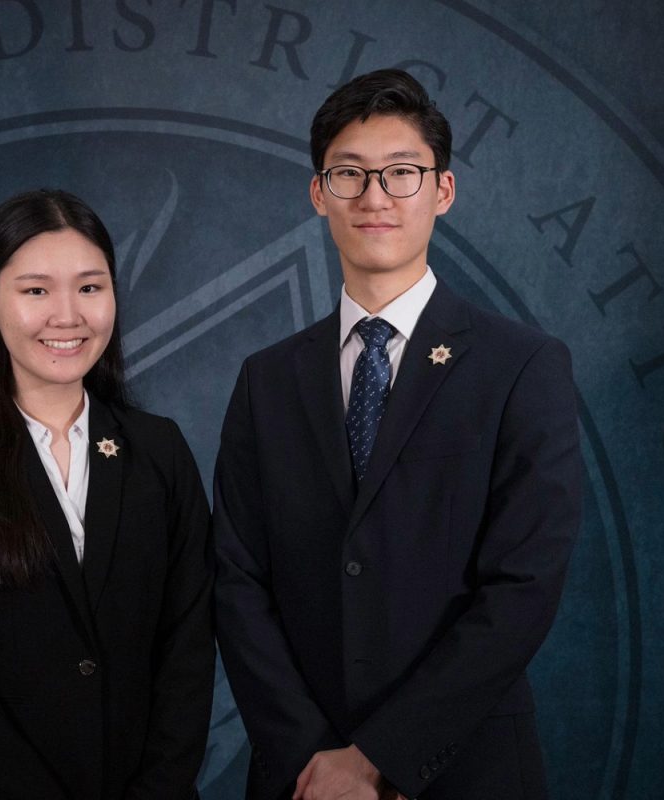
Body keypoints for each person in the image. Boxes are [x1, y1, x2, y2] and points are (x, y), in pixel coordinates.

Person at [213, 69, 581, 800]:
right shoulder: (267, 379)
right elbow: (237, 580)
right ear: (319, 194)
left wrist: (376, 757)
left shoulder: (521, 367)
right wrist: (312, 758)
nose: (375, 197)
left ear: (442, 191)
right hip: (301, 778)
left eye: (401, 173)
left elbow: (524, 587)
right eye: (348, 175)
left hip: (465, 769)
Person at [0, 189, 214, 799]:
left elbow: (188, 649)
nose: (68, 315)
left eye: (90, 287)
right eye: (36, 290)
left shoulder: (159, 450)